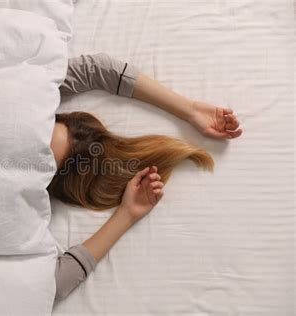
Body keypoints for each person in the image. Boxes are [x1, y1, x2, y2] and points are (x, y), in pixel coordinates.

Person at [50, 53, 242, 302]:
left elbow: (52, 283)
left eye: (42, 155)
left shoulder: (16, 205)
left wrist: (126, 215)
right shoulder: (28, 101)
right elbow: (97, 70)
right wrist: (189, 109)